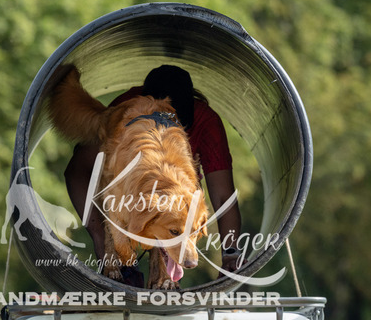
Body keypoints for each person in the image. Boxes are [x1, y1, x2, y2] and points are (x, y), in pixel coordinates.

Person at [64, 65, 242, 286]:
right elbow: (79, 172)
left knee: (178, 201)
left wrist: (230, 253)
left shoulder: (205, 121)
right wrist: (102, 241)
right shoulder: (127, 111)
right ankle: (124, 265)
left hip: (175, 195)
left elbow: (223, 196)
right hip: (125, 188)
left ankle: (163, 277)